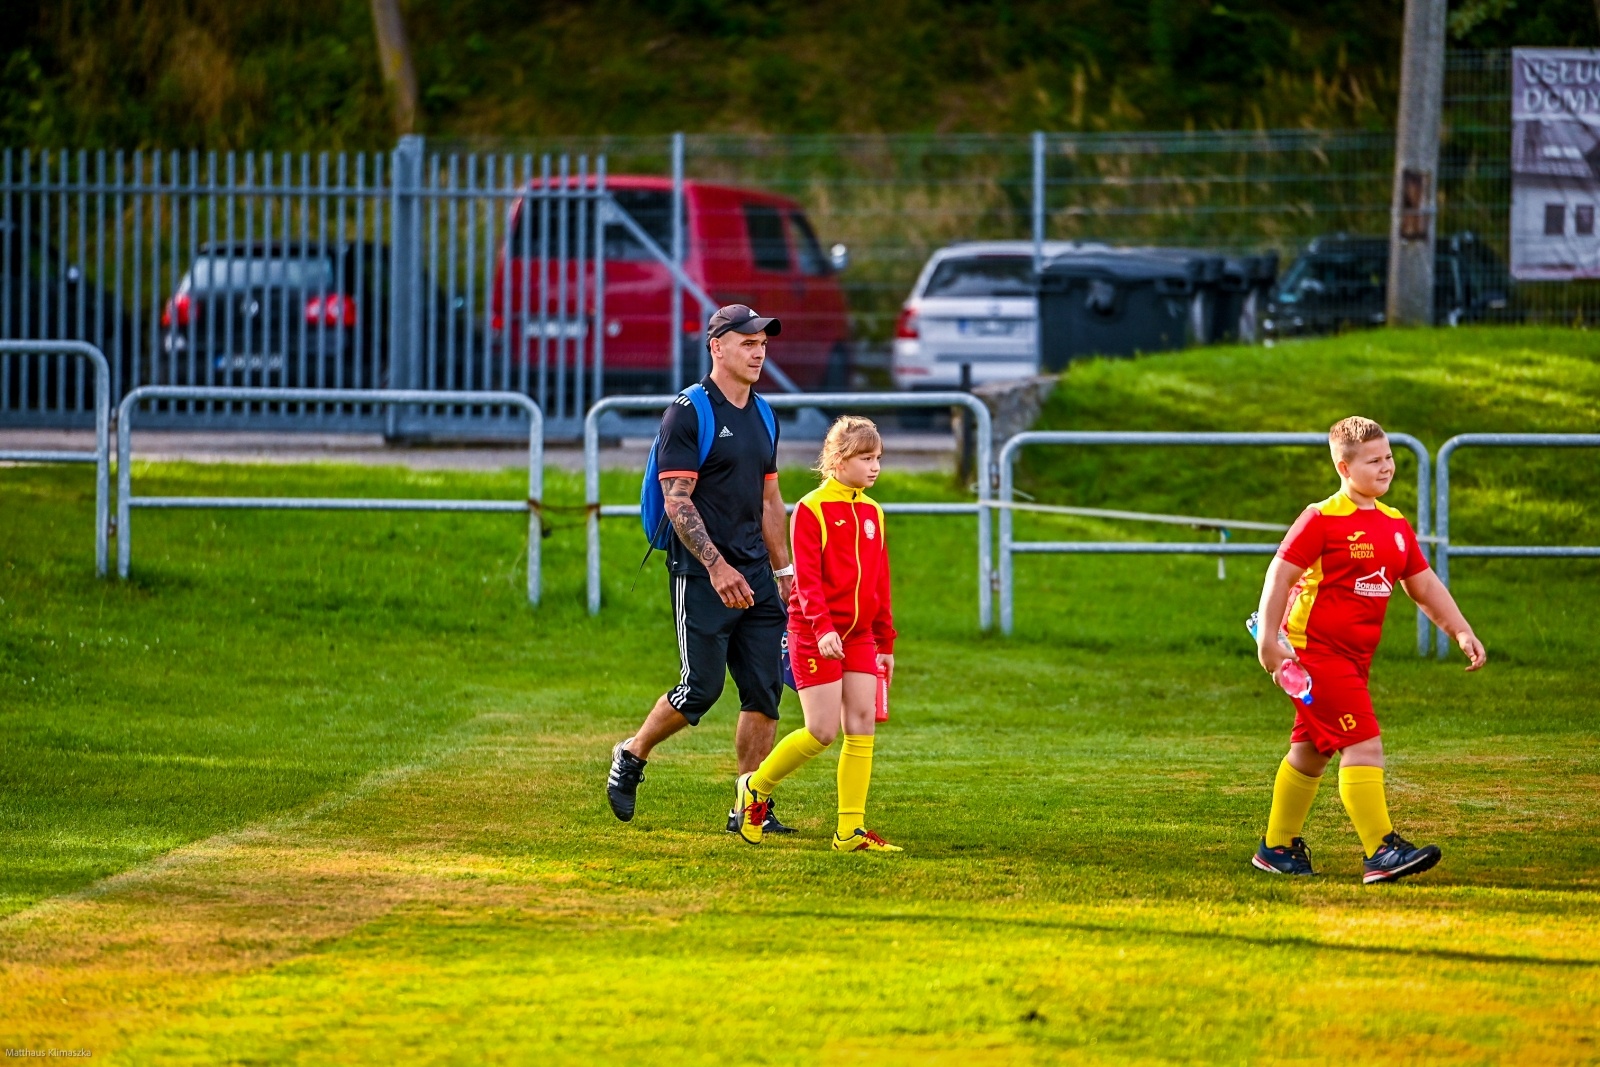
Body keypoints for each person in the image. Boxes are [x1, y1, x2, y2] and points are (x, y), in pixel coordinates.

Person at [1252, 416, 1486, 883]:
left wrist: (1460, 630)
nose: (1386, 467)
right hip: (1315, 655)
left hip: (1355, 660)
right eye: (1373, 460)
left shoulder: (1394, 523)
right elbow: (1279, 575)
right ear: (1344, 467)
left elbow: (1423, 585)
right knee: (1363, 743)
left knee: (1311, 751)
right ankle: (1381, 850)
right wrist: (1268, 641)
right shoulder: (1320, 518)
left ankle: (1277, 848)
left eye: (1389, 457)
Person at [605, 305, 797, 836]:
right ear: (717, 347)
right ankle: (632, 753)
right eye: (747, 343)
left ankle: (750, 807)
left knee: (765, 693)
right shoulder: (688, 413)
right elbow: (677, 502)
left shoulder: (764, 414)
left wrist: (784, 573)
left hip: (756, 575)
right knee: (701, 690)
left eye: (763, 344)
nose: (759, 353)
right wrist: (716, 567)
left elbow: (771, 499)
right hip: (701, 573)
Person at [733, 415, 901, 852]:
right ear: (839, 460)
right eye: (866, 458)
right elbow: (805, 582)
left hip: (860, 636)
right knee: (822, 731)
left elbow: (880, 581)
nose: (875, 467)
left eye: (878, 458)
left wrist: (885, 641)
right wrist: (823, 628)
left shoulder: (873, 511)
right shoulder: (811, 509)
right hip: (814, 634)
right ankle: (754, 787)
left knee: (861, 725)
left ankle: (849, 832)